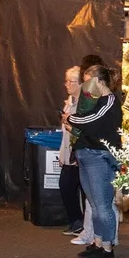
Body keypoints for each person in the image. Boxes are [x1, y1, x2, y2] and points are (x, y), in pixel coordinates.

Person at [69, 65, 122, 258]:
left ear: (99, 82)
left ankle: (107, 248)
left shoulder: (109, 101)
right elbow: (87, 121)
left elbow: (90, 121)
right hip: (88, 154)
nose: (84, 86)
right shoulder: (96, 100)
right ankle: (99, 243)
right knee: (95, 204)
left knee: (102, 205)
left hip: (99, 157)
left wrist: (71, 118)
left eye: (87, 81)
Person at [58, 66, 85, 236]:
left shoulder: (85, 105)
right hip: (70, 152)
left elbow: (80, 130)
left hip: (81, 153)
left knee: (83, 190)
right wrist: (62, 154)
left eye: (71, 81)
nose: (67, 84)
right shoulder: (69, 103)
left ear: (80, 84)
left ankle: (83, 224)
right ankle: (76, 221)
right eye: (66, 81)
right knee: (65, 186)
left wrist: (70, 125)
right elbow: (65, 134)